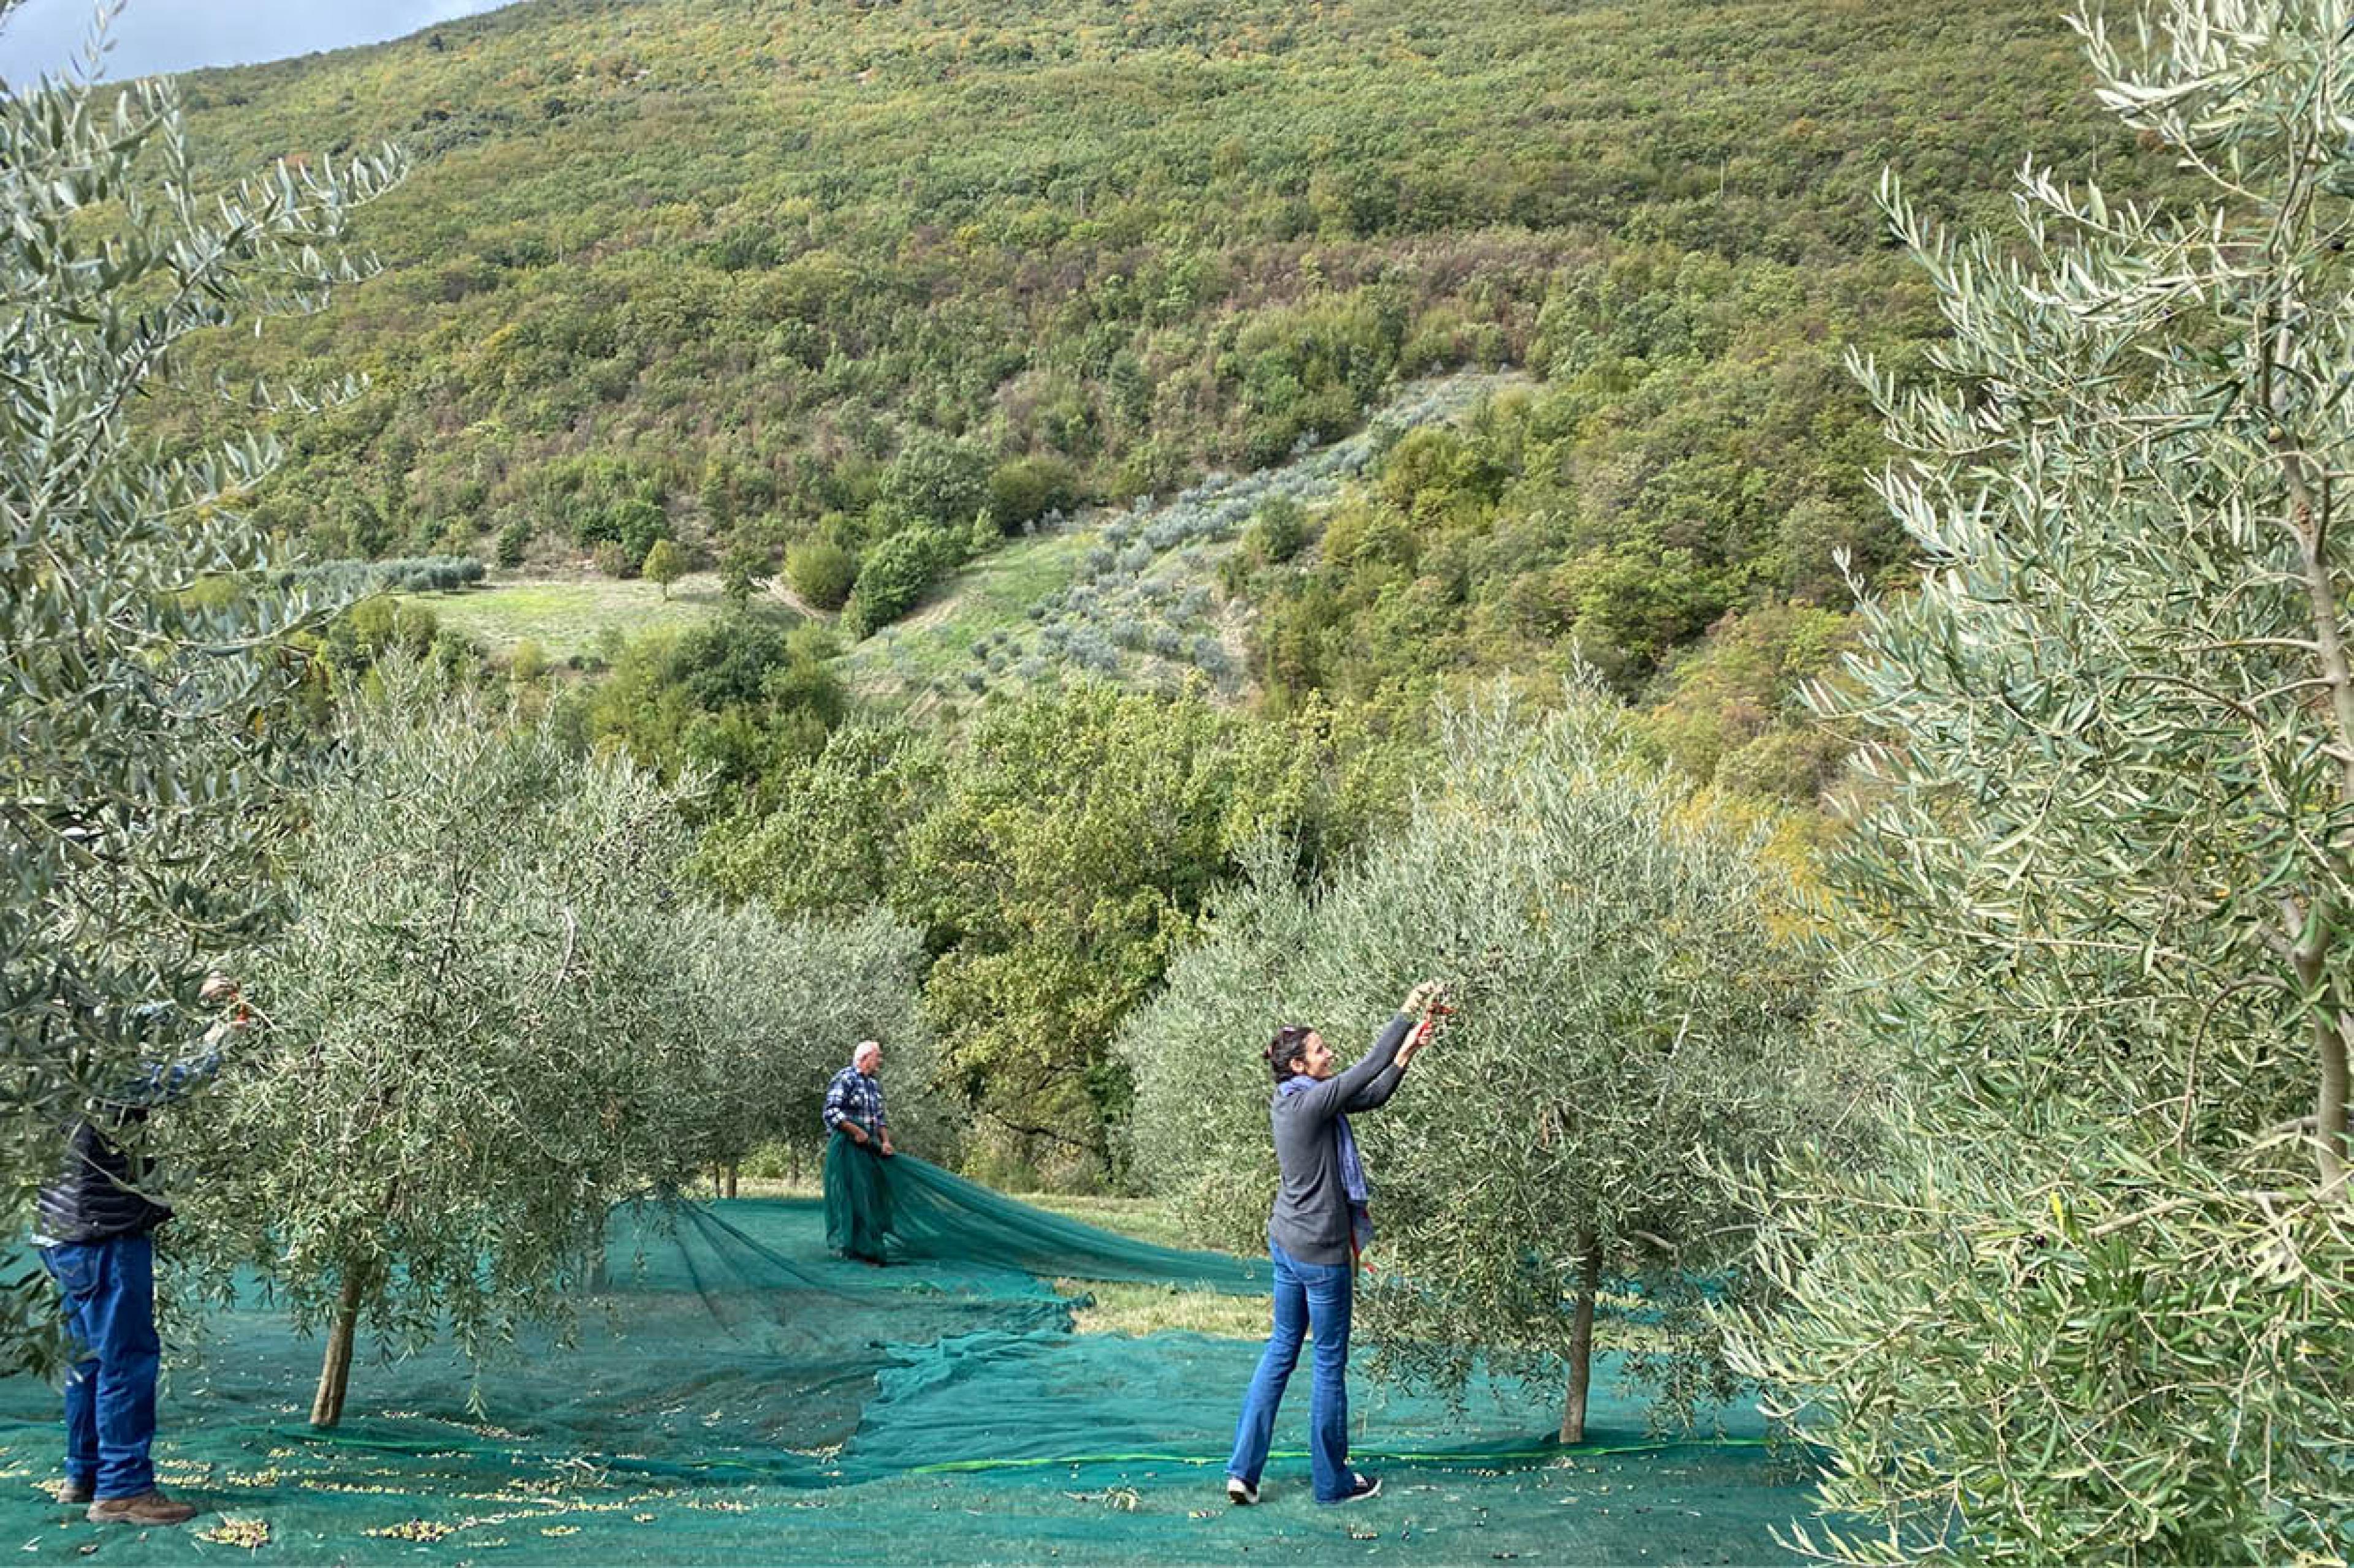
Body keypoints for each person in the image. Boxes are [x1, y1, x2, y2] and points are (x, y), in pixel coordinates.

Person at [34, 973, 248, 1526]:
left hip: (60, 1230)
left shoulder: (48, 1051)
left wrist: (190, 994)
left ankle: (84, 1474)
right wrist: (221, 1038)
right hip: (102, 1233)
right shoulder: (99, 1066)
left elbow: (131, 1019)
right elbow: (174, 1081)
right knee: (126, 1359)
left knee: (87, 1359)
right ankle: (124, 1489)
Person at [1225, 980, 1447, 1509]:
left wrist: (1408, 1051)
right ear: (1298, 1065)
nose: (1331, 1054)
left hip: (1286, 1242)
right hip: (1321, 1254)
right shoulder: (1310, 1104)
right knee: (1328, 1363)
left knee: (1281, 1350)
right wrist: (1408, 1009)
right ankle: (1332, 1483)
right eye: (1321, 1050)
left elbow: (1371, 1093)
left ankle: (1242, 1473)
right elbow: (1368, 1066)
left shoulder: (1294, 1100)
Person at [820, 1039, 894, 1263]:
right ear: (864, 1058)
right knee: (850, 1195)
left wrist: (886, 1142)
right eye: (877, 1056)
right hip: (846, 1147)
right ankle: (848, 1245)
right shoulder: (845, 1078)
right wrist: (855, 1131)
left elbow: (879, 1118)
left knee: (870, 1195)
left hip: (867, 1148)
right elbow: (831, 1112)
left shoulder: (873, 1085)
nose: (880, 1061)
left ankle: (867, 1244)